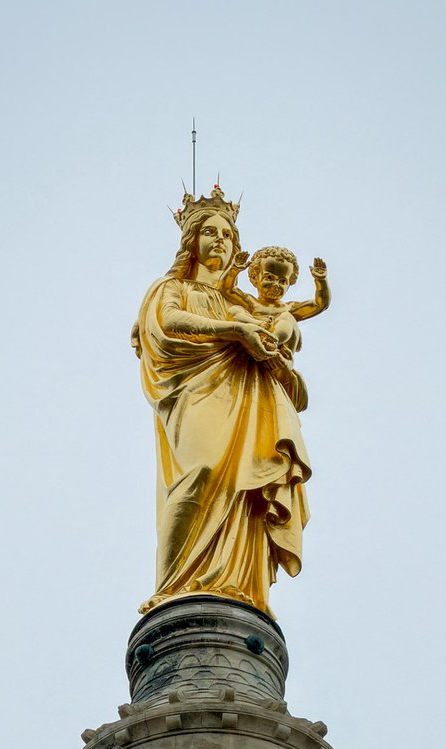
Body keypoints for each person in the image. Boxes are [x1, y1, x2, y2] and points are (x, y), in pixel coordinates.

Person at [132, 188, 312, 617]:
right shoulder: (173, 287)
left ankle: (239, 585)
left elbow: (275, 341)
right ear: (191, 241)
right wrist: (233, 333)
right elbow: (167, 321)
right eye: (209, 232)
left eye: (227, 235)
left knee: (245, 486)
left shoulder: (239, 303)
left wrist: (272, 346)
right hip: (197, 391)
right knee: (201, 471)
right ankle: (173, 585)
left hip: (247, 397)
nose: (220, 241)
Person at [219, 245, 330, 413]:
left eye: (282, 281)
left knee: (286, 318)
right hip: (254, 345)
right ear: (255, 278)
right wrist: (234, 269)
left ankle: (271, 340)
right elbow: (226, 288)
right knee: (235, 311)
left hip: (278, 354)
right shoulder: (250, 303)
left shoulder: (288, 307)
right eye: (269, 277)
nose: (276, 284)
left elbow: (319, 304)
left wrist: (320, 280)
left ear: (289, 283)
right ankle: (260, 331)